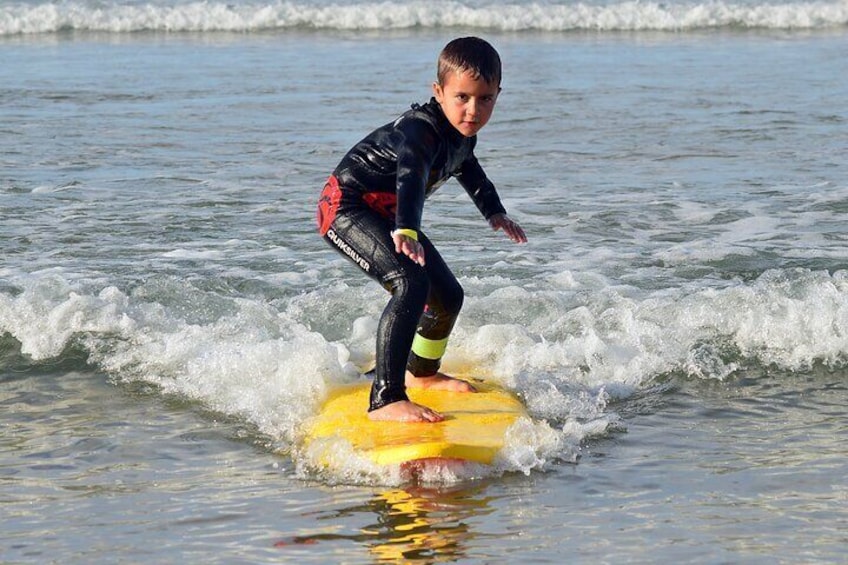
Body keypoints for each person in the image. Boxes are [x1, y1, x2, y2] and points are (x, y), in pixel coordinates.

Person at [316, 36, 527, 423]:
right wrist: (407, 230)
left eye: (485, 99)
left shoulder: (462, 136)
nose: (472, 110)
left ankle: (422, 374)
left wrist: (495, 213)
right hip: (346, 208)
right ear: (438, 92)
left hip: (390, 215)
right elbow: (411, 174)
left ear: (498, 93)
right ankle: (386, 398)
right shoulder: (420, 131)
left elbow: (468, 168)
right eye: (461, 97)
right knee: (410, 283)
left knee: (447, 294)